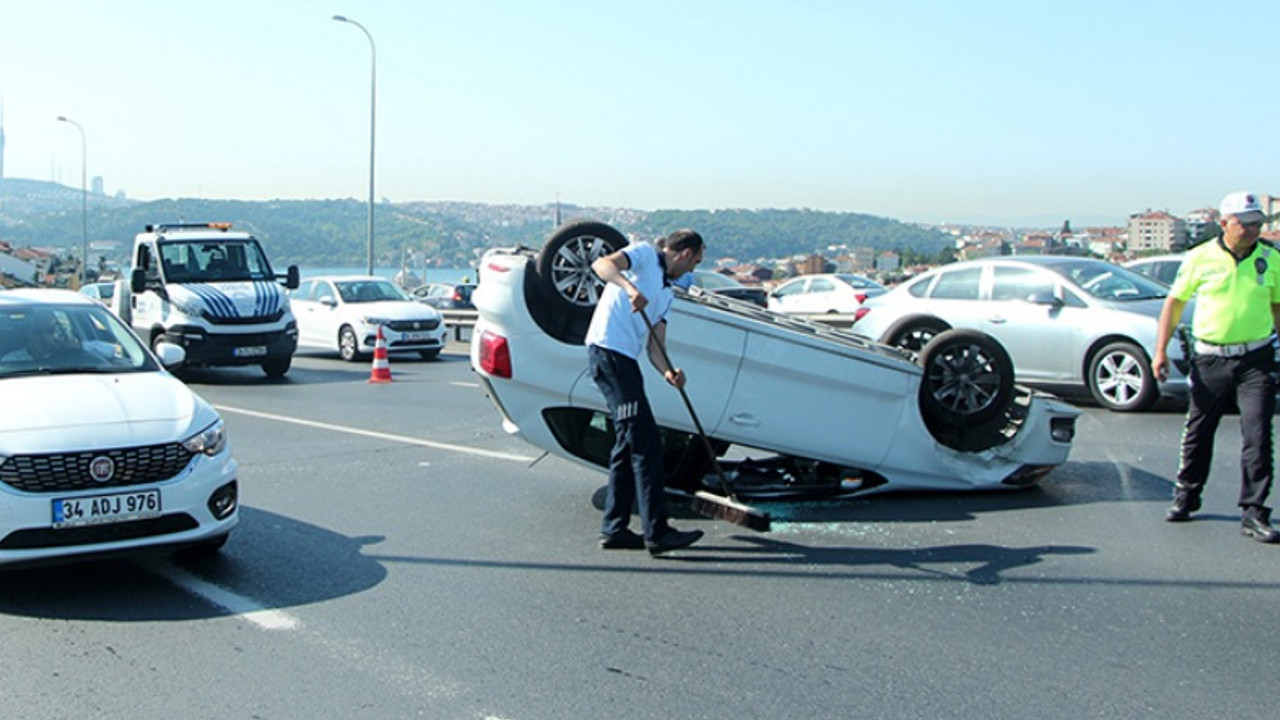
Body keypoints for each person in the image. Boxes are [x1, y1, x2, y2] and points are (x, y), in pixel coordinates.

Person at [1153, 190, 1280, 543]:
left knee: (1257, 434)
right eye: (1246, 223)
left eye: (1259, 223)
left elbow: (1278, 307)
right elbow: (1174, 303)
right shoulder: (1199, 258)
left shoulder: (1271, 259)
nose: (1254, 229)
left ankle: (1254, 512)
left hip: (1255, 358)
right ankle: (1186, 496)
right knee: (1199, 430)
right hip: (1210, 358)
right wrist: (1159, 351)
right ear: (1224, 224)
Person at [586, 229, 706, 556]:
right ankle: (658, 532)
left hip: (627, 362)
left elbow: (656, 346)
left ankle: (615, 529)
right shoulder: (644, 256)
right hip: (609, 356)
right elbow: (602, 265)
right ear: (683, 253)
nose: (692, 269)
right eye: (694, 261)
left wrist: (669, 371)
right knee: (646, 443)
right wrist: (628, 287)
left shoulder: (668, 291)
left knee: (628, 445)